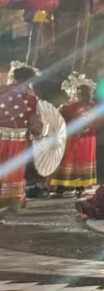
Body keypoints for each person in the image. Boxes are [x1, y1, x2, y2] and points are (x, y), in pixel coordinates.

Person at [0, 65, 43, 210]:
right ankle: (9, 200)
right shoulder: (31, 99)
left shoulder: (1, 90)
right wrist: (38, 134)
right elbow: (35, 123)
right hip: (17, 139)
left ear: (15, 77)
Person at [52, 71, 99, 194]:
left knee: (68, 160)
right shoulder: (92, 106)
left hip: (74, 137)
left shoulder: (68, 107)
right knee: (80, 161)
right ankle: (79, 185)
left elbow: (59, 119)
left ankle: (63, 186)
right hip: (86, 138)